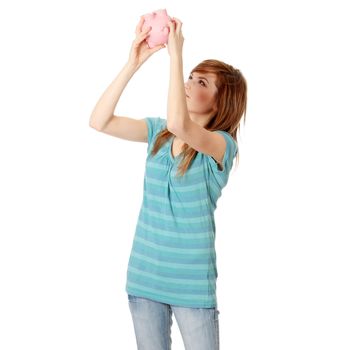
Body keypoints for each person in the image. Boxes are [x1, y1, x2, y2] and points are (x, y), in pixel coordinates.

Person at [89, 15, 247, 350]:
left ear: (222, 101)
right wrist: (133, 63)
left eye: (202, 83)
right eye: (190, 77)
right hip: (145, 276)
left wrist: (176, 56)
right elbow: (99, 120)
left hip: (191, 286)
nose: (189, 84)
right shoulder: (157, 133)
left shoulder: (221, 145)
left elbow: (180, 123)